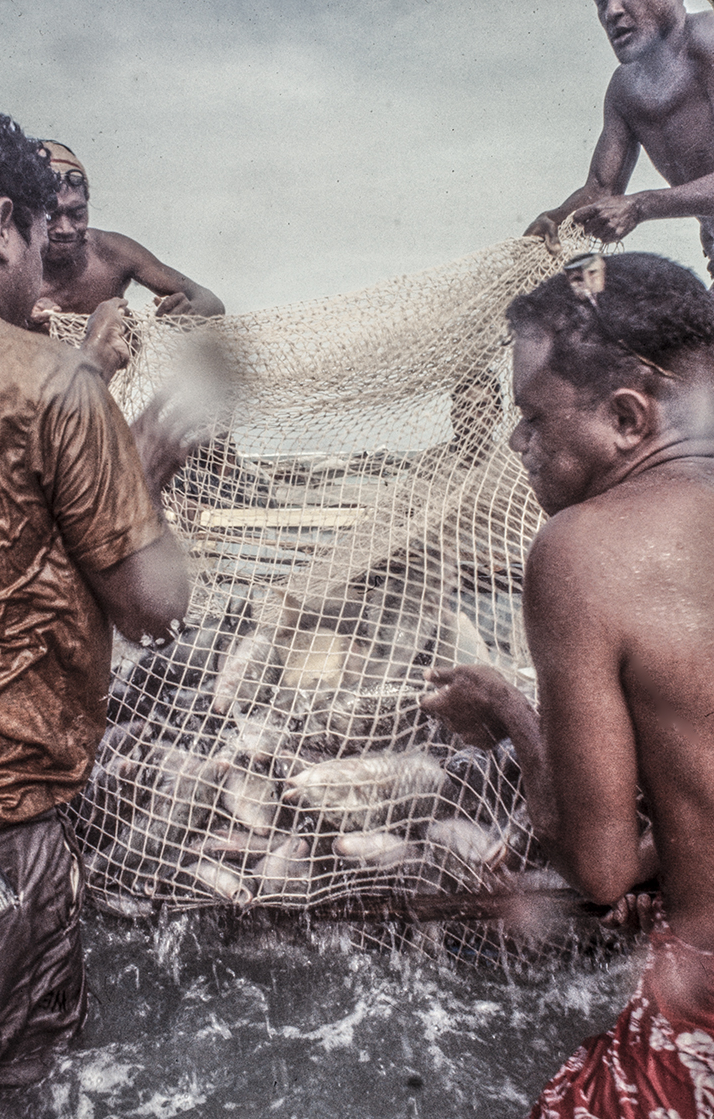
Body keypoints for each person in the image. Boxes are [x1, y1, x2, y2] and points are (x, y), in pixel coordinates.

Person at [421, 251, 714, 1115]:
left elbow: (599, 871)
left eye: (532, 418)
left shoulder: (582, 550)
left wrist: (508, 711)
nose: (519, 443)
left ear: (628, 417)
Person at [0, 100, 195, 1090]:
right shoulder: (47, 379)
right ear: (4, 222)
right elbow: (149, 605)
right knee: (13, 1078)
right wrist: (146, 465)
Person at [525, 0, 714, 278]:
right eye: (601, 2)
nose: (611, 11)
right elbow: (602, 189)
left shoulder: (709, 38)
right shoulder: (625, 90)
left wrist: (641, 206)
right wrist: (554, 222)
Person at [31, 141, 224, 329]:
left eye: (77, 214)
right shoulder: (14, 261)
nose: (66, 229)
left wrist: (190, 312)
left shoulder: (111, 251)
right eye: (50, 215)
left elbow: (210, 301)